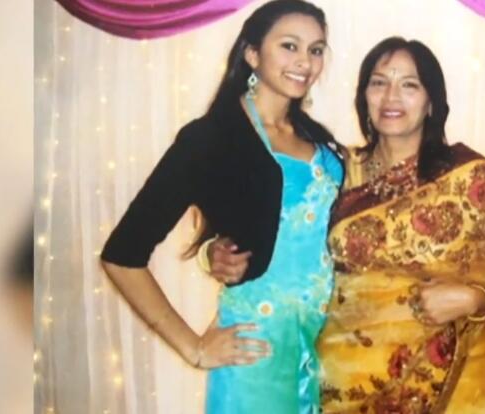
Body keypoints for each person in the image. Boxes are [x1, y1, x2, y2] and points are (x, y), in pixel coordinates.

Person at [205, 37, 485, 413]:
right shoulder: (333, 171)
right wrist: (212, 252)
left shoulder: (471, 179)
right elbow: (276, 236)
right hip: (340, 383)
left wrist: (475, 299)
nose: (392, 97)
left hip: (453, 388)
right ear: (364, 97)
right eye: (379, 83)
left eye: (409, 85)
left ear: (431, 102)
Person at [99, 1, 344, 413]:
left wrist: (213, 248)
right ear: (252, 53)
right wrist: (194, 348)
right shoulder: (209, 139)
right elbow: (122, 255)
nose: (305, 61)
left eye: (315, 50)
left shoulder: (318, 140)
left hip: (323, 350)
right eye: (289, 46)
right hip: (256, 352)